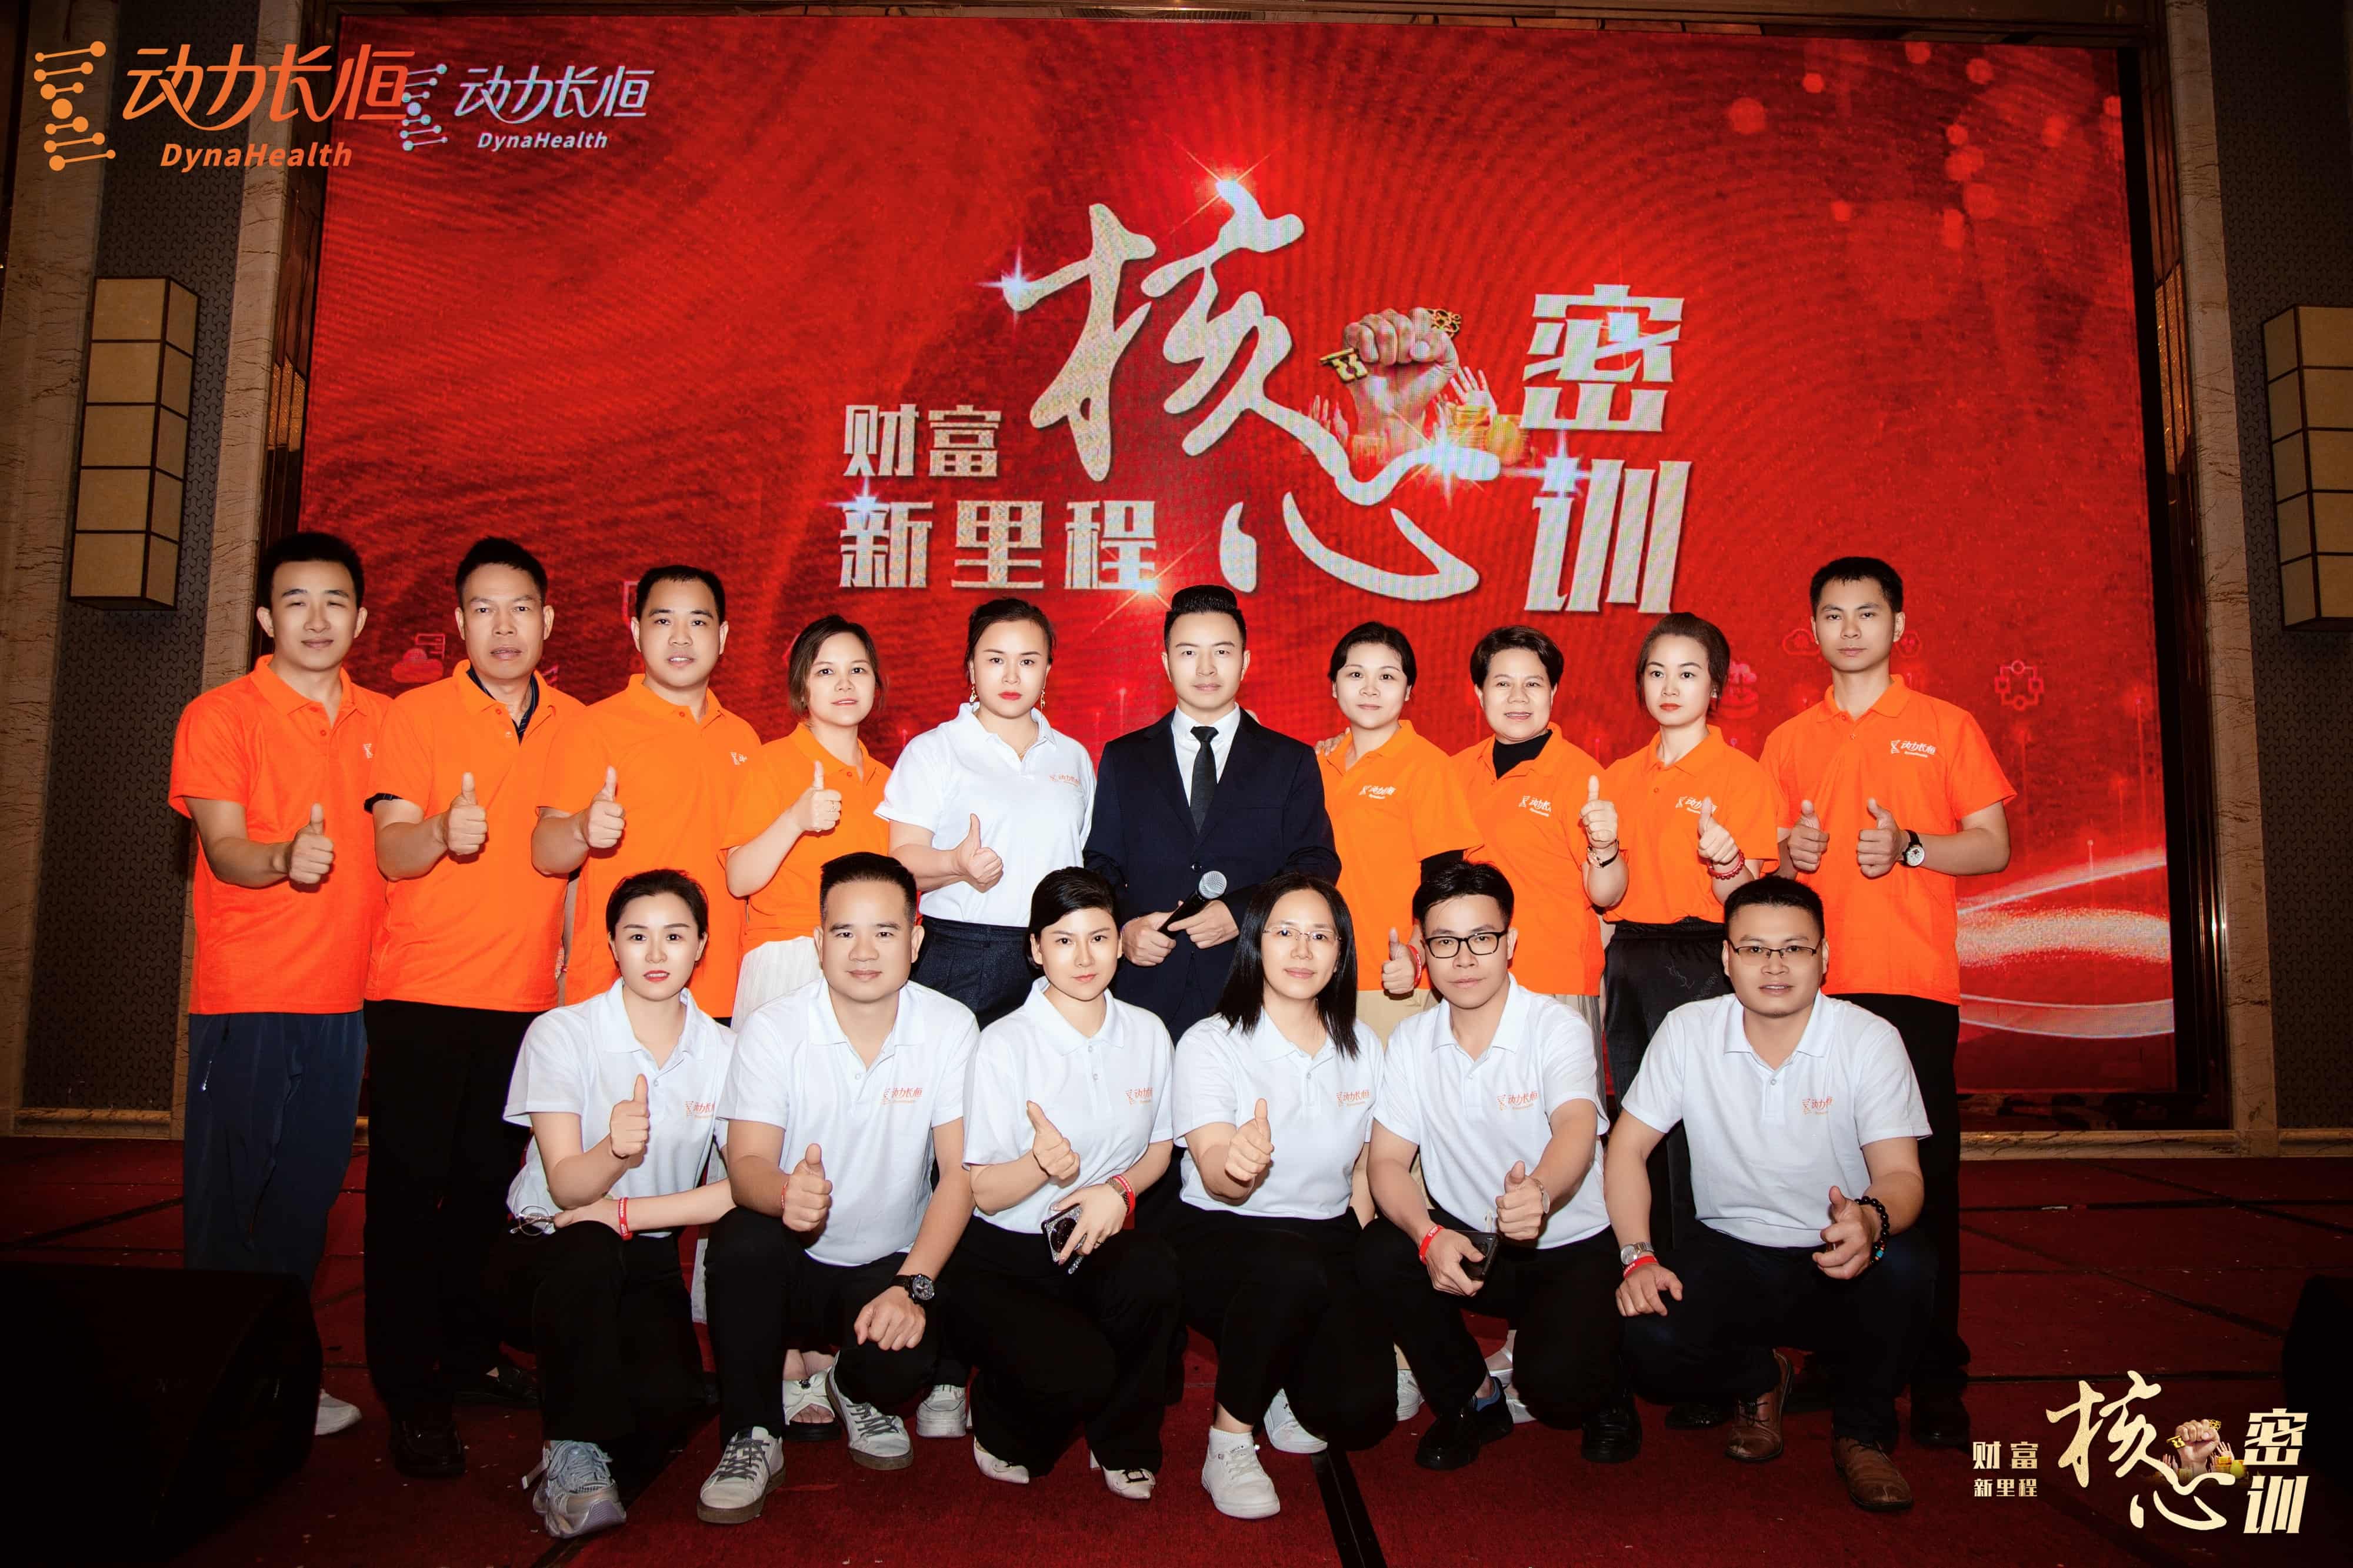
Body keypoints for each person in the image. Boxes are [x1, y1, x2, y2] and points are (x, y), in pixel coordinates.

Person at [1760, 556, 2012, 1449]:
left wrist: (1909, 847)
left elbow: (1992, 844)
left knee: (1923, 1184)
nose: (1851, 629)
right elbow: (1770, 871)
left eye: (1868, 613)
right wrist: (1789, 856)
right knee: (1824, 1177)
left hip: (1910, 986)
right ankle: (1839, 1356)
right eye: (1833, 614)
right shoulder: (1789, 738)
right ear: (1813, 630)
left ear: (1898, 625)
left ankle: (1937, 1374)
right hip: (1814, 993)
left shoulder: (1945, 725)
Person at [1609, 878, 1934, 1513]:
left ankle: (1864, 1432)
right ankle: (1760, 1377)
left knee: (1908, 1263)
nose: (1775, 965)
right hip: (1729, 1250)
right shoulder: (1689, 1030)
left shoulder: (1868, 1039)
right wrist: (1637, 1256)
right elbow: (1625, 1149)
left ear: (1824, 956)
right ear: (1727, 958)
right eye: (1755, 948)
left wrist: (1870, 1219)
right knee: (1646, 1337)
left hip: (1835, 1251)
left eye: (1794, 948)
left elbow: (1903, 1175)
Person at [365, 535, 581, 1478]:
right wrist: (438, 833)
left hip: (524, 996)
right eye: (484, 609)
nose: (504, 626)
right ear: (458, 622)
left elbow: (565, 858)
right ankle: (410, 1390)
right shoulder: (414, 715)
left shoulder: (573, 722)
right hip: (422, 992)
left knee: (487, 1198)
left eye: (520, 607)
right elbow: (390, 850)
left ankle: (466, 1354)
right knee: (408, 1199)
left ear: (547, 619)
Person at [168, 531, 387, 1440]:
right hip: (249, 998)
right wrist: (282, 857)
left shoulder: (386, 722)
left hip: (346, 1003)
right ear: (266, 617)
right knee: (229, 1207)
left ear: (361, 618)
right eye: (296, 601)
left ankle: (282, 1374)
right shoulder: (221, 715)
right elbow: (224, 847)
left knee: (305, 1204)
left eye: (335, 601)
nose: (316, 618)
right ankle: (212, 1389)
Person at [698, 853, 978, 1521]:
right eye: (845, 932)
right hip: (791, 1262)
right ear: (818, 941)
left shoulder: (949, 1026)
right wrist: (784, 1193)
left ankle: (852, 1387)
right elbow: (747, 1162)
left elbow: (960, 1175)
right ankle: (751, 1432)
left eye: (885, 932)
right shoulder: (774, 1027)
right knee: (741, 1239)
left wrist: (913, 1285)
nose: (864, 952)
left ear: (915, 940)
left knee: (905, 1363)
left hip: (886, 1265)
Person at [1358, 859, 1635, 1472]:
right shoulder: (1412, 1041)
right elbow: (1386, 1162)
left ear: (1510, 943)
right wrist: (1426, 1235)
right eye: (1445, 942)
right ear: (1424, 949)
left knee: (1558, 1393)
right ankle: (1473, 1398)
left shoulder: (1555, 1027)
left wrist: (1540, 1190)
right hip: (1473, 1242)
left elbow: (1576, 1125)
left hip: (1567, 1240)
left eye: (1481, 938)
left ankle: (1609, 1384)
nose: (1464, 959)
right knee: (1380, 1251)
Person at [494, 870, 737, 1540]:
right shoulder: (562, 1032)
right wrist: (614, 1150)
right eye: (637, 936)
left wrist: (629, 1213)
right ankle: (567, 1449)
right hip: (549, 1250)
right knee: (589, 1247)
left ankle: (596, 1408)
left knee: (663, 1413)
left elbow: (741, 1187)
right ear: (611, 945)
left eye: (674, 936)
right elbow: (570, 1189)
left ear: (701, 945)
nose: (656, 953)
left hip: (644, 1248)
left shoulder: (724, 1050)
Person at [945, 868, 1183, 1498]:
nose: (1084, 958)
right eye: (1063, 940)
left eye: (1099, 938)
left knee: (1153, 1270)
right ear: (1035, 948)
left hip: (1094, 1238)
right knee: (1077, 1373)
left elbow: (1161, 1147)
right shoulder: (1003, 1043)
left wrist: (1118, 1192)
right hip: (1007, 1254)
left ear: (1119, 942)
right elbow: (983, 1192)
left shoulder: (1147, 1032)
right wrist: (1039, 1165)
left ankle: (1123, 1443)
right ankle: (996, 1412)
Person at [1170, 873, 1395, 1519]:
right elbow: (1215, 1170)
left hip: (1325, 1232)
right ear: (1255, 943)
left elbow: (1362, 1172)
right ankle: (1228, 1440)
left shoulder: (1363, 1046)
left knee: (1360, 1413)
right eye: (1285, 932)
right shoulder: (1210, 1041)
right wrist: (1237, 1165)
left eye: (1321, 935)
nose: (1302, 950)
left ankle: (1271, 1373)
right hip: (1225, 1229)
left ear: (1341, 952)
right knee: (1289, 1268)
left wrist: (1357, 1272)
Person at [1589, 612, 1779, 1333]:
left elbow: (1748, 904)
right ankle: (1653, 1302)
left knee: (1702, 1141)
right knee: (1636, 1132)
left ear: (1716, 687)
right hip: (1630, 961)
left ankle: (1718, 1319)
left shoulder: (1741, 776)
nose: (1670, 686)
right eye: (1657, 672)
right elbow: (1604, 896)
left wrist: (1727, 862)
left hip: (1703, 961)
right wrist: (1602, 851)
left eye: (1688, 672)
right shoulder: (1617, 777)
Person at [1085, 583, 1339, 1046]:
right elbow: (1101, 864)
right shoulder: (1124, 758)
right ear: (1166, 663)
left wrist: (1243, 913)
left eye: (1222, 652)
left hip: (1251, 983)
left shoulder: (1291, 760)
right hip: (1147, 986)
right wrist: (1123, 928)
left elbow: (1316, 864)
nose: (1206, 668)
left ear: (1245, 661)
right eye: (1188, 653)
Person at [534, 565, 761, 1018]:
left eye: (698, 622)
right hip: (615, 994)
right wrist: (580, 828)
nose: (681, 638)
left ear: (723, 635)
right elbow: (545, 854)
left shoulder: (744, 739)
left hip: (722, 994)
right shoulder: (592, 728)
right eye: (663, 621)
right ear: (637, 632)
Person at [881, 598, 1094, 1027]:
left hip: (1060, 952)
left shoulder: (1073, 756)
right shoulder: (934, 751)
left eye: (1028, 661)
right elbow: (901, 864)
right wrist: (955, 864)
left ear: (1047, 671)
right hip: (964, 954)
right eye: (996, 659)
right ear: (971, 668)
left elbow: (1084, 860)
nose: (1012, 676)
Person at [1312, 623, 1479, 1042]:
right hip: (1315, 976)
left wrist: (1416, 956)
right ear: (1334, 686)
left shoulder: (1428, 766)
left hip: (1390, 980)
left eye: (1387, 676)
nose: (1370, 688)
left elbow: (1444, 883)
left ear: (1408, 691)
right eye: (1356, 674)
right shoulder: (1315, 765)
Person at [722, 614, 892, 1019]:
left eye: (858, 670)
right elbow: (738, 879)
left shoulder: (890, 781)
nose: (845, 684)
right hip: (791, 958)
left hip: (871, 960)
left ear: (875, 684)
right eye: (826, 672)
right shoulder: (771, 763)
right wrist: (795, 820)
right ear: (802, 687)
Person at [1449, 626, 1611, 1035]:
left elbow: (1607, 896)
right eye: (1503, 683)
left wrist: (1606, 847)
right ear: (1479, 692)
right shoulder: (1452, 773)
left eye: (1533, 684)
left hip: (1555, 984)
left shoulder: (1583, 777)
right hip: (1465, 984)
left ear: (1553, 691)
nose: (1518, 697)